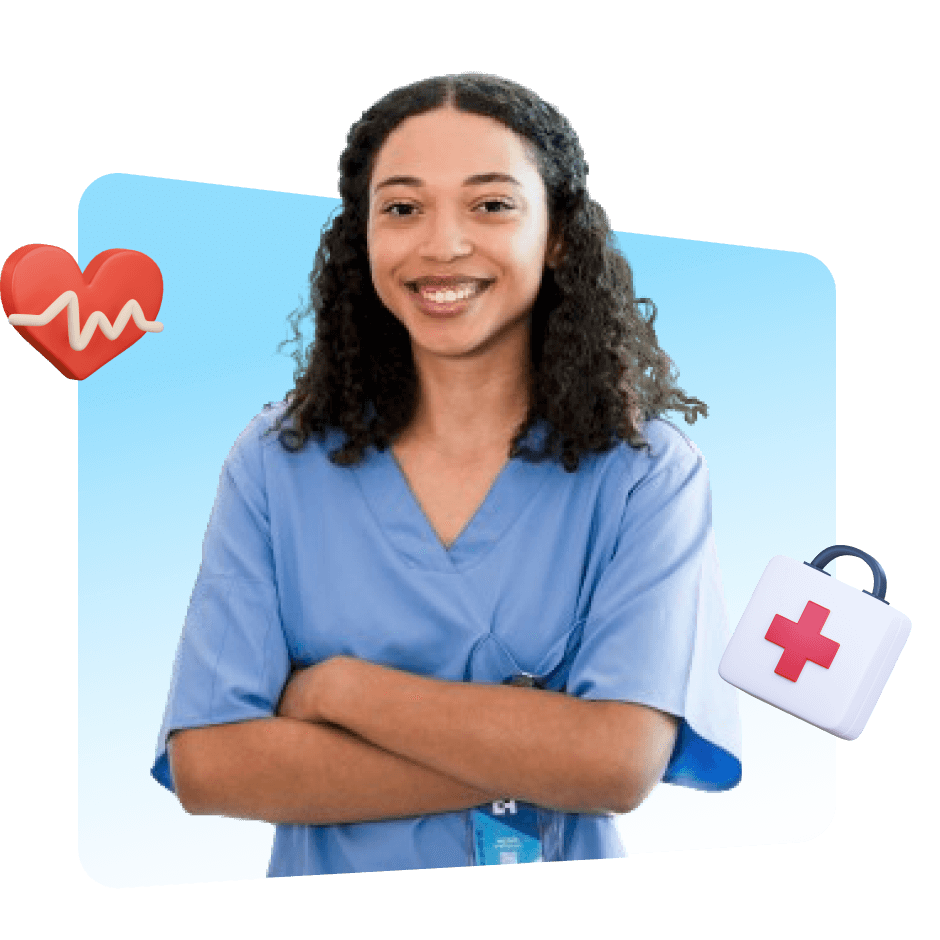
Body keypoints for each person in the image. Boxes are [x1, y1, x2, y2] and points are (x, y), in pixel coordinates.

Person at [150, 72, 742, 875]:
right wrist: (535, 748)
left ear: (558, 234)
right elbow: (211, 765)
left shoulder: (645, 474)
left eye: (490, 204)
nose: (441, 244)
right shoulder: (276, 464)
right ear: (363, 235)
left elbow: (616, 765)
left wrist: (344, 693)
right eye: (402, 207)